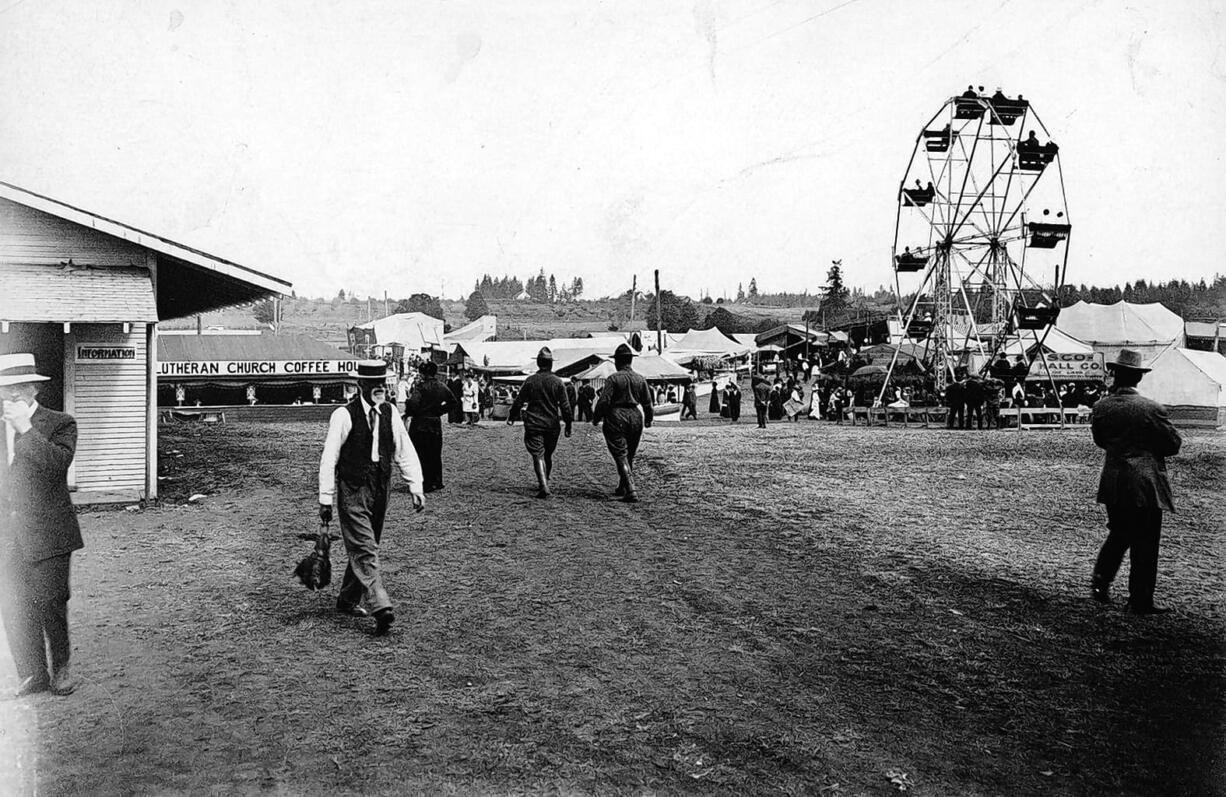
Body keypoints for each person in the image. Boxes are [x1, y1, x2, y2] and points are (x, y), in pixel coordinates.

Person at [318, 360, 425, 636]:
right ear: (360, 386)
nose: (380, 388)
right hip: (352, 489)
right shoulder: (343, 415)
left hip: (381, 487)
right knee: (365, 547)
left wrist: (416, 486)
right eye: (373, 383)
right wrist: (326, 498)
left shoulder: (390, 412)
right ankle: (381, 606)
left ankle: (347, 599)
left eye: (382, 382)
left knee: (367, 543)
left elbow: (404, 450)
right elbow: (329, 458)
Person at [0, 354, 82, 697]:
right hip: (7, 534)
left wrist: (26, 430)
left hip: (49, 532)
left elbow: (56, 467)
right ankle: (33, 674)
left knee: (50, 602)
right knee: (15, 606)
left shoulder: (60, 423)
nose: (12, 396)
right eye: (6, 389)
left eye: (19, 389)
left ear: (34, 388)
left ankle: (60, 669)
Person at [1089, 349, 1182, 614]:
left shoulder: (1101, 407)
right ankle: (1140, 599)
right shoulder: (1152, 409)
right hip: (1145, 482)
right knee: (1146, 541)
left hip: (1114, 480)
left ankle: (1100, 582)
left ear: (1115, 374)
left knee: (1119, 534)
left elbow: (1100, 441)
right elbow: (1173, 444)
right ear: (1138, 378)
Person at [507, 347, 572, 499]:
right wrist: (568, 424)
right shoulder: (558, 382)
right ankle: (545, 481)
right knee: (548, 454)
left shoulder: (530, 381)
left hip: (534, 423)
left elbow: (519, 401)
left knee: (538, 455)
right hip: (552, 425)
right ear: (551, 364)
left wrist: (511, 416)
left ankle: (544, 486)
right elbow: (566, 407)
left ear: (538, 363)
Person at [592, 344, 653, 502]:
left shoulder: (613, 379)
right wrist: (648, 419)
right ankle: (623, 486)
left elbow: (604, 401)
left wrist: (597, 417)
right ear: (631, 360)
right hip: (635, 416)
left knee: (620, 455)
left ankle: (631, 490)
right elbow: (648, 403)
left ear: (617, 361)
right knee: (629, 455)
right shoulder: (640, 379)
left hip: (616, 416)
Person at [403, 361, 453, 493]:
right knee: (435, 452)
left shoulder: (420, 387)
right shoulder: (442, 386)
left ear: (423, 373)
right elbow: (453, 402)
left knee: (420, 453)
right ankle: (437, 481)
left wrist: (411, 412)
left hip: (420, 424)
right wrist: (439, 411)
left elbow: (413, 403)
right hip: (435, 424)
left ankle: (425, 483)